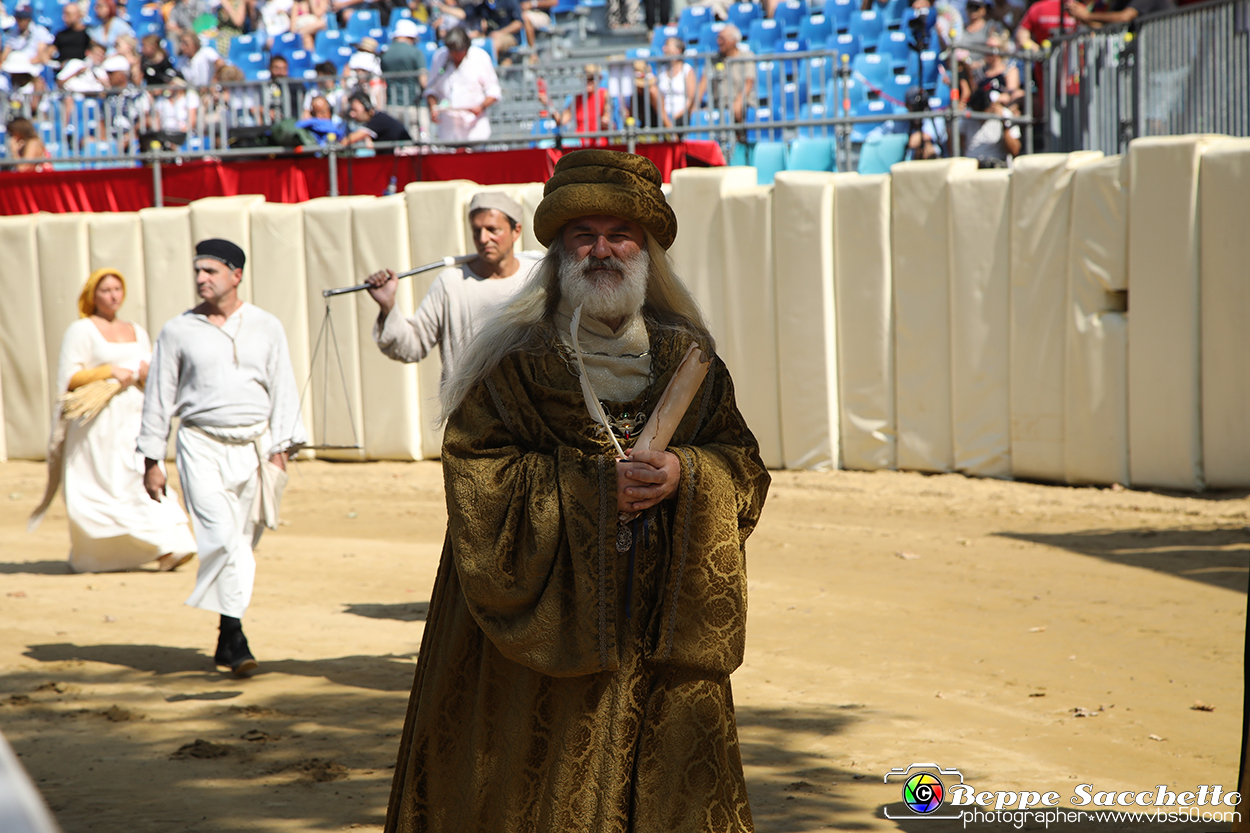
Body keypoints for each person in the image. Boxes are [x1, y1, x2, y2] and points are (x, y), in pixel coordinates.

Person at [384, 149, 770, 832]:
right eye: (582, 235)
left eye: (619, 234)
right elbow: (476, 469)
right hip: (542, 643)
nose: (602, 250)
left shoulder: (692, 359)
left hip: (657, 626)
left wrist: (686, 472)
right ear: (560, 250)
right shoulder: (515, 361)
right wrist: (593, 490)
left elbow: (742, 464)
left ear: (645, 248)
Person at [139, 238, 307, 677]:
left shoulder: (266, 326)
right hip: (199, 446)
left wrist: (281, 451)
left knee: (245, 544)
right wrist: (151, 459)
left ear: (236, 274)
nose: (201, 279)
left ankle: (226, 631)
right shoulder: (177, 330)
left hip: (256, 449)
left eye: (210, 271)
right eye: (197, 271)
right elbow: (158, 397)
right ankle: (237, 640)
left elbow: (283, 387)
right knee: (221, 540)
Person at [31, 269, 198, 574]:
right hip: (97, 425)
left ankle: (171, 543)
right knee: (104, 485)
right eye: (106, 290)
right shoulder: (81, 330)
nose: (113, 295)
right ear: (93, 295)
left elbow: (150, 369)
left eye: (117, 289)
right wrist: (108, 371)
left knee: (142, 475)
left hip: (133, 418)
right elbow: (69, 378)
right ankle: (102, 556)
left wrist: (147, 375)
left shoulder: (136, 329)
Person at [364, 191, 537, 387]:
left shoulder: (536, 277)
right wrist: (388, 306)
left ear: (516, 231)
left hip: (529, 410)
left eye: (492, 229)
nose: (483, 238)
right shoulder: (451, 284)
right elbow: (412, 346)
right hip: (468, 411)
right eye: (476, 230)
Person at [422, 26, 500, 143]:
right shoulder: (439, 57)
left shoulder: (480, 57)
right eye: (453, 51)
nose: (456, 55)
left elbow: (494, 90)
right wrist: (433, 107)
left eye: (459, 51)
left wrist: (481, 107)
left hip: (475, 131)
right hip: (448, 132)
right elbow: (431, 90)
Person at [695, 24, 755, 123]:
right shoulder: (713, 60)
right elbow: (703, 83)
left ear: (734, 40)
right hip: (718, 104)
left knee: (738, 110)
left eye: (722, 39)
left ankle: (742, 136)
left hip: (742, 102)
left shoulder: (746, 56)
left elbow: (749, 82)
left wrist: (738, 102)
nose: (719, 42)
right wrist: (695, 106)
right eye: (718, 38)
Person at [559, 63, 611, 145]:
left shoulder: (604, 94)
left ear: (598, 80)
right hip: (580, 146)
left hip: (599, 145)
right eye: (585, 79)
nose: (588, 82)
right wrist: (548, 103)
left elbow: (607, 115)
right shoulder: (577, 99)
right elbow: (562, 120)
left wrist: (605, 120)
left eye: (591, 79)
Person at [343, 89, 411, 146]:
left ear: (367, 107)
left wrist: (338, 144)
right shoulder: (375, 119)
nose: (352, 114)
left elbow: (351, 139)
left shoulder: (377, 120)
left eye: (355, 110)